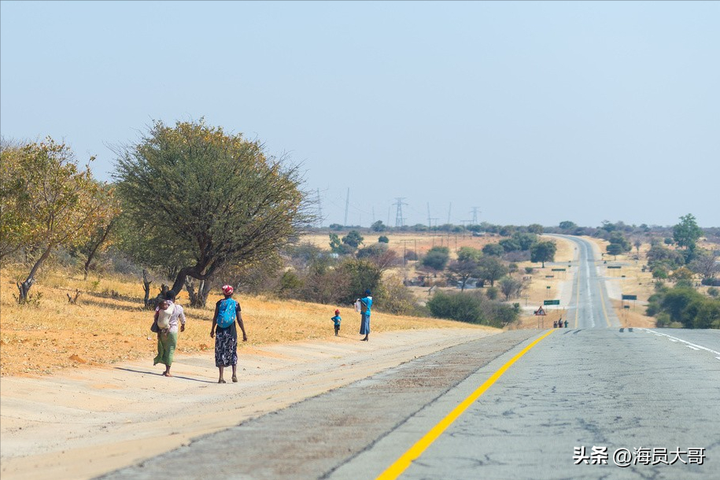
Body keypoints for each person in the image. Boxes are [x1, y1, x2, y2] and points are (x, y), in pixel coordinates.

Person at [210, 284, 247, 384]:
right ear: (232, 293)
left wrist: (212, 329)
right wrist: (244, 332)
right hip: (231, 331)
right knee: (232, 351)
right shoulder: (236, 304)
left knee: (220, 351)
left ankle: (221, 377)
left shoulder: (219, 303)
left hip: (220, 330)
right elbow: (239, 319)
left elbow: (215, 317)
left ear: (223, 293)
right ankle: (234, 374)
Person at [153, 290, 186, 377]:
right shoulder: (177, 307)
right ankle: (167, 371)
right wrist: (183, 325)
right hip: (172, 331)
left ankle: (161, 363)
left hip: (161, 330)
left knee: (163, 348)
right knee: (170, 350)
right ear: (174, 298)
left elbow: (155, 317)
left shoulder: (161, 306)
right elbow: (182, 319)